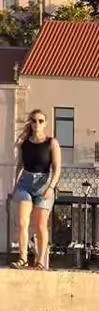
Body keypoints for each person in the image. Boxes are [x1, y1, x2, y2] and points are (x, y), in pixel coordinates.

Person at [10, 109, 61, 269]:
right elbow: (20, 165)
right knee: (22, 222)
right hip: (25, 182)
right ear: (30, 123)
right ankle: (23, 258)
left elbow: (57, 168)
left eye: (40, 121)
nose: (36, 124)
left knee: (40, 226)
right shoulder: (24, 143)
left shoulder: (51, 142)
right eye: (33, 120)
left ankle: (40, 260)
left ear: (45, 123)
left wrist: (51, 187)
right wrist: (14, 185)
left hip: (44, 183)